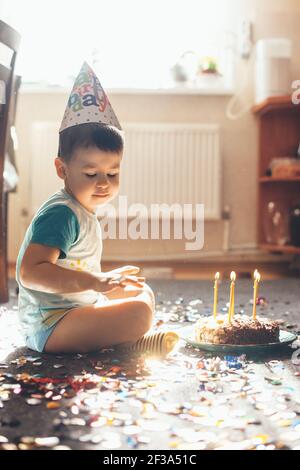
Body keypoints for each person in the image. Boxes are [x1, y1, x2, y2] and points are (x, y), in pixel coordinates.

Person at [15, 62, 155, 354]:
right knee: (139, 314)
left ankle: (120, 334)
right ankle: (128, 339)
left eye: (113, 173)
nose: (103, 183)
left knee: (142, 291)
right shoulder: (61, 214)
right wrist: (97, 282)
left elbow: (72, 267)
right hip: (49, 324)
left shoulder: (81, 209)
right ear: (62, 169)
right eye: (92, 174)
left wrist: (107, 280)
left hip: (72, 309)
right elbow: (30, 272)